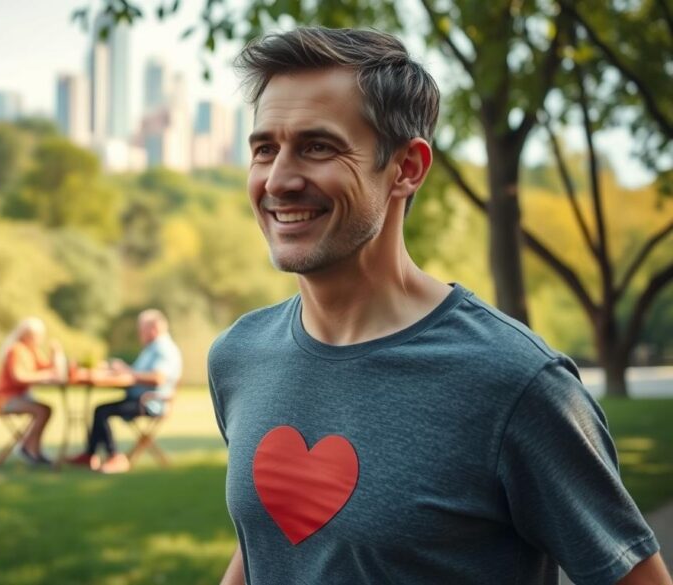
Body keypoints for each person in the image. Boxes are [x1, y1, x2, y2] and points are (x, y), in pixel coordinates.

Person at [208, 27, 670, 585]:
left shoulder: (516, 383)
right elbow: (266, 547)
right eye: (264, 149)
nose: (278, 180)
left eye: (318, 146)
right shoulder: (239, 356)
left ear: (407, 168)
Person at [67, 309, 182, 474]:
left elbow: (158, 378)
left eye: (141, 330)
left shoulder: (163, 349)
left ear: (153, 328)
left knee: (102, 411)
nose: (139, 334)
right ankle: (89, 455)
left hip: (150, 402)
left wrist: (126, 371)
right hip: (140, 398)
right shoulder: (152, 348)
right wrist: (119, 370)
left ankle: (115, 457)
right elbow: (137, 374)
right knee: (100, 409)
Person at [0, 317, 64, 465]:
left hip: (23, 397)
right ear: (25, 334)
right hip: (8, 399)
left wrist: (55, 353)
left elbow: (48, 368)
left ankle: (32, 448)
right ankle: (29, 448)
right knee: (43, 411)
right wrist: (44, 376)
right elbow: (18, 377)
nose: (39, 339)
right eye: (36, 336)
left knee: (45, 410)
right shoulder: (16, 350)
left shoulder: (31, 350)